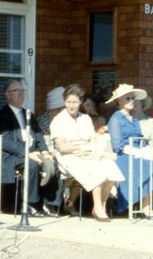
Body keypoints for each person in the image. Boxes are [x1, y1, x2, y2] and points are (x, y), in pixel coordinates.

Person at [49, 84, 124, 222]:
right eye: (68, 102)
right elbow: (63, 147)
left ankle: (100, 205)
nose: (71, 106)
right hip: (68, 157)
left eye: (75, 102)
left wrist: (94, 147)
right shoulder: (58, 120)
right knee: (95, 169)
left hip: (87, 154)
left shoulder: (85, 118)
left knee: (111, 168)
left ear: (81, 102)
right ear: (64, 101)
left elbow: (92, 140)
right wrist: (82, 148)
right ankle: (98, 209)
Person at [106, 84, 153, 220]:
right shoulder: (115, 119)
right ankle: (146, 207)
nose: (131, 101)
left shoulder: (134, 119)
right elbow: (117, 146)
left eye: (133, 98)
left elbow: (141, 140)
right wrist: (137, 152)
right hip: (125, 156)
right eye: (127, 98)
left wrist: (147, 150)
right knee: (148, 167)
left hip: (139, 153)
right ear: (119, 101)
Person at [0, 79, 56, 217]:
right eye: (16, 91)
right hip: (8, 156)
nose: (20, 94)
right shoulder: (1, 116)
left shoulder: (28, 114)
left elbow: (38, 135)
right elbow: (5, 141)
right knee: (32, 165)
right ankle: (30, 204)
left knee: (52, 163)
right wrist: (27, 154)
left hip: (31, 153)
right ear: (7, 95)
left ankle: (50, 204)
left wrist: (44, 151)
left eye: (22, 91)